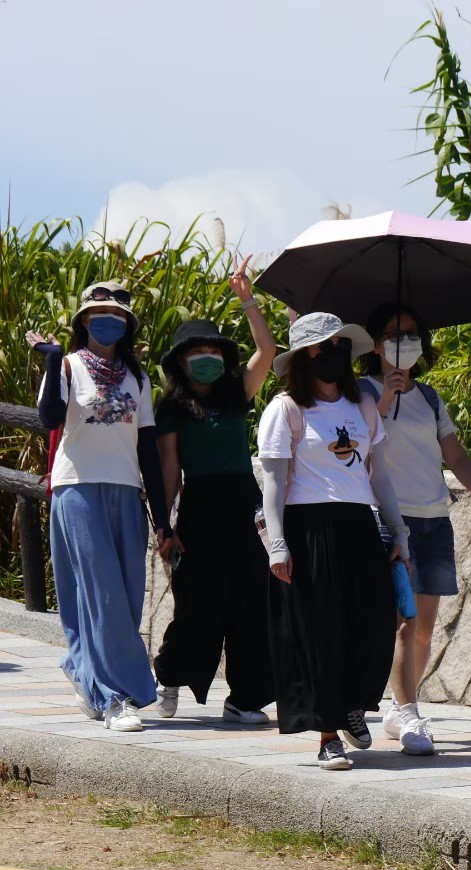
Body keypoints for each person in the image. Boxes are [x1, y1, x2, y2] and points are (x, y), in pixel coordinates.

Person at [257, 312, 409, 771]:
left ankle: (352, 705)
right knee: (321, 633)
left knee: (374, 627)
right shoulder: (286, 409)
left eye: (341, 344)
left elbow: (380, 475)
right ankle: (328, 736)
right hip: (309, 528)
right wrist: (278, 545)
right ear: (304, 357)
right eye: (324, 346)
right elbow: (272, 483)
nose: (336, 353)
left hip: (359, 525)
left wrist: (399, 530)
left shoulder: (362, 406)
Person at [29, 282, 175, 732]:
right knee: (102, 594)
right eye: (98, 314)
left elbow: (148, 449)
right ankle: (115, 697)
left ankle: (82, 668)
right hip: (77, 489)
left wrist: (163, 519)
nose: (108, 321)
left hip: (126, 491)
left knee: (127, 599)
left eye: (116, 315)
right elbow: (49, 418)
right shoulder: (67, 366)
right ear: (84, 322)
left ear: (126, 325)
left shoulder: (138, 378)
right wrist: (52, 358)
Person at [359, 302, 471, 756]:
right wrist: (386, 396)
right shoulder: (362, 391)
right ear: (376, 345)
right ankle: (408, 710)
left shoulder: (430, 398)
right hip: (389, 521)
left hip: (434, 519)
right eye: (394, 333)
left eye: (412, 333)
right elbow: (358, 440)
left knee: (423, 627)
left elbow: (453, 452)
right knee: (403, 621)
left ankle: (400, 705)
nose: (405, 341)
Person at [151, 255, 277, 724]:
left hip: (246, 506)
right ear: (180, 361)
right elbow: (170, 470)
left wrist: (248, 301)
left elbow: (267, 351)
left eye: (214, 350)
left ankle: (244, 699)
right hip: (200, 510)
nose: (207, 357)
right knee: (199, 603)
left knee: (252, 602)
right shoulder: (171, 408)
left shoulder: (237, 394)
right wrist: (165, 526)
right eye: (196, 351)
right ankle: (168, 676)